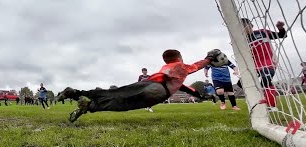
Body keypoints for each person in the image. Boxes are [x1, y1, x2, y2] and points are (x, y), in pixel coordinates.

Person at [57, 49, 223, 123]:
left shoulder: (165, 69)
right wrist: (209, 59)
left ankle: (78, 96)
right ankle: (89, 106)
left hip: (148, 83)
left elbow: (183, 87)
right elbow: (194, 67)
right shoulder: (179, 67)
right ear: (179, 57)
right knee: (124, 104)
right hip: (158, 90)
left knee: (115, 95)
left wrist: (199, 96)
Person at [241, 18, 287, 108]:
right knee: (241, 82)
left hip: (269, 61)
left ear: (250, 25)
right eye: (241, 27)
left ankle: (272, 105)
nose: (244, 28)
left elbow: (282, 35)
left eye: (245, 25)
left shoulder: (262, 32)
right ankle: (256, 98)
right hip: (254, 65)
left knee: (265, 78)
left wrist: (280, 28)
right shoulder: (242, 40)